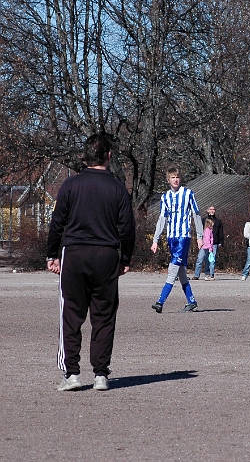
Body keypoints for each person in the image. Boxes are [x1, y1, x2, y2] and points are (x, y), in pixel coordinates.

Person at [47, 133, 136, 391]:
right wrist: (125, 258)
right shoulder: (118, 187)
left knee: (71, 314)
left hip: (75, 253)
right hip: (106, 255)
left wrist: (52, 254)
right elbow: (127, 228)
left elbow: (57, 223)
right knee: (104, 316)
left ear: (84, 157)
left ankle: (72, 374)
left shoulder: (71, 185)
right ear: (109, 155)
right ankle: (100, 374)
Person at [151, 165, 204, 313]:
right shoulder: (165, 197)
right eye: (173, 177)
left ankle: (160, 302)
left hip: (183, 237)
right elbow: (162, 219)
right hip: (171, 237)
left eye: (178, 177)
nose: (176, 180)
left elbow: (196, 215)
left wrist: (199, 236)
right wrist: (155, 239)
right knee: (181, 272)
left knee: (172, 269)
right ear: (168, 180)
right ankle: (191, 301)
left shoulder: (188, 193)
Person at [193, 205, 223, 281]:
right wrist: (199, 240)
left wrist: (221, 242)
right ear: (208, 210)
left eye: (213, 209)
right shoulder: (203, 220)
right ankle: (196, 275)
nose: (212, 211)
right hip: (204, 243)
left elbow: (220, 232)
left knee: (211, 260)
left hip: (214, 243)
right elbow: (199, 231)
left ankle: (208, 274)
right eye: (210, 209)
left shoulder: (218, 221)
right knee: (200, 259)